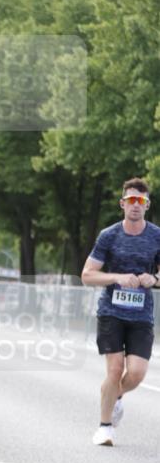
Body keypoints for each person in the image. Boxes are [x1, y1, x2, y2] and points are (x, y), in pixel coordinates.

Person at [81, 178, 160, 447]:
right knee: (114, 370)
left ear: (147, 205)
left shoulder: (157, 236)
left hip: (141, 316)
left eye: (140, 201)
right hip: (111, 312)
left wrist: (155, 279)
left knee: (136, 373)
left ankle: (113, 396)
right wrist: (118, 277)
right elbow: (87, 275)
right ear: (122, 204)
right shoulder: (109, 235)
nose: (135, 205)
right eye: (130, 200)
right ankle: (105, 428)